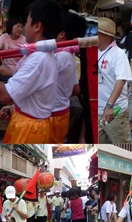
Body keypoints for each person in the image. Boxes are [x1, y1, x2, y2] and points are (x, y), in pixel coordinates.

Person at [0, 0, 64, 143]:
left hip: (29, 129)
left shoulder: (38, 59)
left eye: (26, 23)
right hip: (28, 121)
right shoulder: (43, 56)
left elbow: (5, 95)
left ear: (37, 26)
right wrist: (14, 107)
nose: (24, 27)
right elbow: (32, 94)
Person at [50, 12, 86, 143]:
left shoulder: (58, 57)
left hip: (51, 116)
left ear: (61, 34)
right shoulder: (69, 55)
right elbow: (75, 90)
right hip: (62, 112)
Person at [98, 17, 132, 143]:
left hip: (114, 111)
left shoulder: (118, 54)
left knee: (122, 144)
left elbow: (121, 80)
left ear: (104, 35)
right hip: (97, 110)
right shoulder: (95, 51)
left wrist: (109, 106)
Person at [0, 17, 26, 81]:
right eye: (18, 26)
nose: (20, 29)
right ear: (11, 26)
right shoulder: (4, 37)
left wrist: (9, 72)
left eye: (21, 27)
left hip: (17, 73)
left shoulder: (24, 40)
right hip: (4, 71)